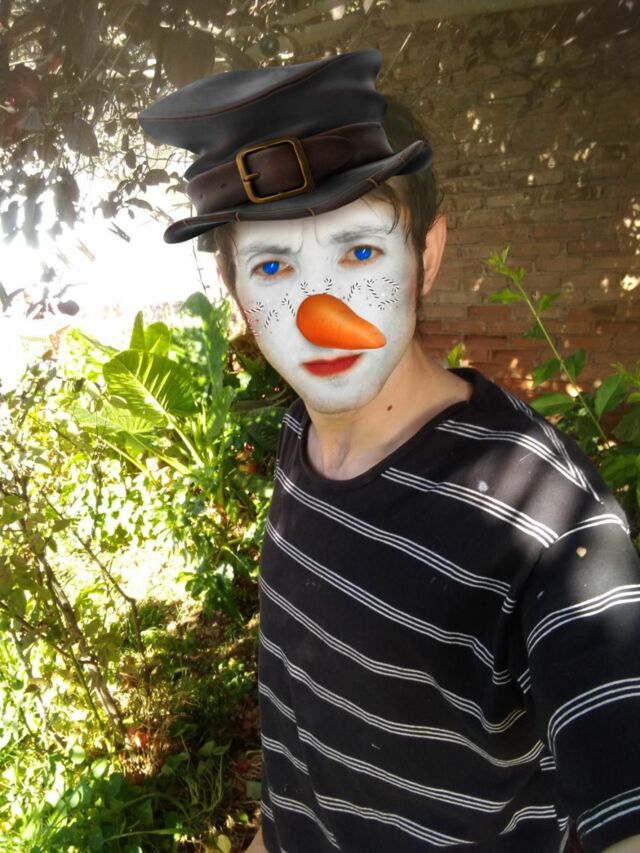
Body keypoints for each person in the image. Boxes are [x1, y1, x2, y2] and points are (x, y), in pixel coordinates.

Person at [139, 49, 640, 853]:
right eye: (273, 265)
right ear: (238, 294)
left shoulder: (549, 526)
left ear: (427, 257)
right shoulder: (302, 437)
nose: (318, 312)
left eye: (361, 253)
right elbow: (306, 747)